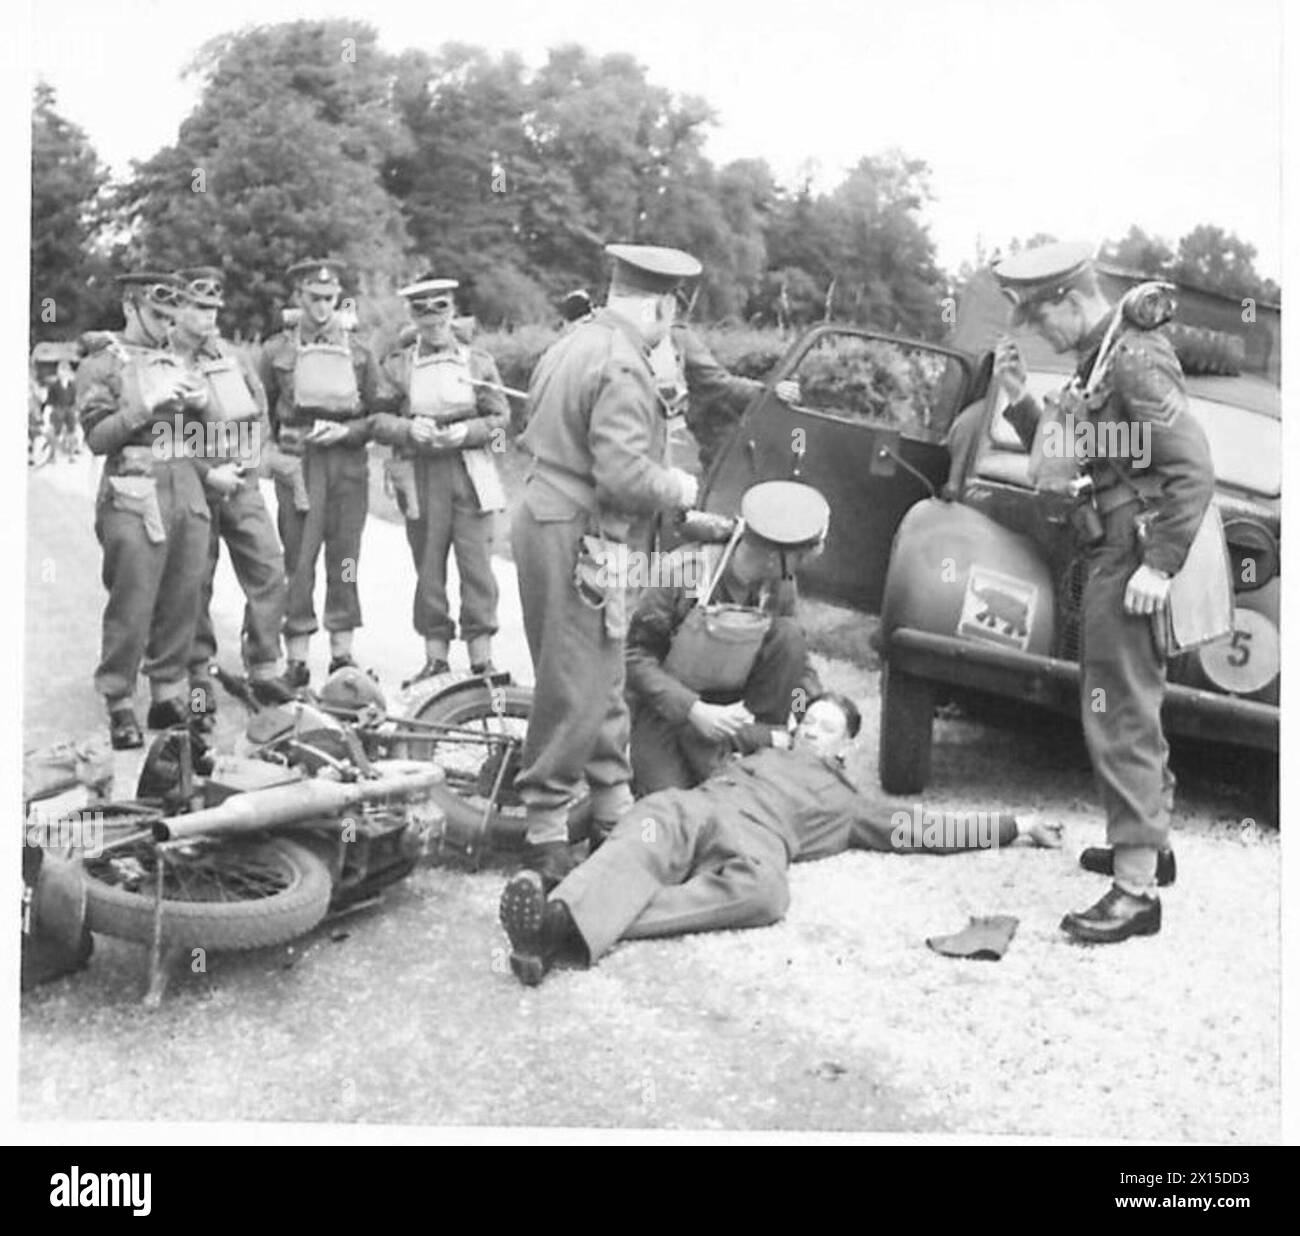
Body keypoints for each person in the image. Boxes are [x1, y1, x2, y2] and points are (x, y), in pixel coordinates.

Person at [498, 693, 1062, 986]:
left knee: (767, 895)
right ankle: (555, 928)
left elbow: (925, 829)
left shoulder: (848, 803)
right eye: (807, 720)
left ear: (845, 748)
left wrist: (1017, 825)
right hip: (698, 806)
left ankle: (567, 925)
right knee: (645, 830)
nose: (810, 729)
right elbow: (687, 721)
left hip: (760, 841)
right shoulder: (759, 748)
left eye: (826, 728)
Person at [992, 241, 1213, 943]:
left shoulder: (1135, 358)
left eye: (1040, 316)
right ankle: (1150, 845)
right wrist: (1020, 402)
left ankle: (1136, 891)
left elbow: (1192, 466)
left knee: (1120, 714)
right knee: (1127, 703)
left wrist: (1162, 564)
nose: (1041, 331)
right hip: (1113, 548)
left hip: (1133, 553)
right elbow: (1078, 453)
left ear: (1069, 298)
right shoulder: (1104, 357)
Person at [512, 243, 703, 888]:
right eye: (671, 315)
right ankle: (544, 829)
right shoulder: (624, 365)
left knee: (603, 665)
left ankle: (613, 803)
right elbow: (623, 476)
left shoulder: (575, 341)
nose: (670, 330)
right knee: (574, 677)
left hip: (558, 516)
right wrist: (676, 487)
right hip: (581, 529)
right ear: (660, 303)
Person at [75, 272, 213, 749]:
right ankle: (118, 699)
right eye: (157, 315)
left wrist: (203, 405)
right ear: (129, 307)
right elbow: (96, 439)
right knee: (133, 596)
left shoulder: (176, 359)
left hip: (184, 483)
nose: (165, 327)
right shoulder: (102, 363)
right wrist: (145, 404)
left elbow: (203, 436)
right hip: (132, 485)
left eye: (172, 319)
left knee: (183, 592)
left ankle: (167, 693)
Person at [625, 479, 828, 795]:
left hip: (738, 713)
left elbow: (797, 662)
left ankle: (761, 751)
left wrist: (815, 709)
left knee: (789, 637)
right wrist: (694, 710)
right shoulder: (684, 571)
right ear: (775, 557)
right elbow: (634, 657)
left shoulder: (780, 586)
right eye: (800, 558)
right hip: (670, 710)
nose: (800, 568)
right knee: (672, 801)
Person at [257, 259, 396, 688]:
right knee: (299, 558)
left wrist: (349, 431)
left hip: (348, 463)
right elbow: (262, 412)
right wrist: (271, 455)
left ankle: (342, 653)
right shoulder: (275, 351)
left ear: (338, 299)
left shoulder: (359, 351)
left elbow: (380, 412)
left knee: (346, 556)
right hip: (299, 462)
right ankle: (296, 655)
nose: (321, 308)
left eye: (329, 299)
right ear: (299, 297)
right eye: (313, 298)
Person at [371, 275, 510, 683]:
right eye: (421, 310)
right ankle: (435, 659)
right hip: (420, 471)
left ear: (452, 309)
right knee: (428, 568)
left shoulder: (479, 361)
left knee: (477, 566)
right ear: (412, 316)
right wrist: (405, 430)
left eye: (440, 308)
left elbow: (503, 423)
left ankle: (482, 661)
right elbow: (375, 419)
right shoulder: (396, 366)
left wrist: (470, 433)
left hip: (471, 471)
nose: (432, 319)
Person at [170, 267, 294, 718]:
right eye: (199, 308)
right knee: (194, 579)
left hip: (241, 483)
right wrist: (206, 474)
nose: (208, 317)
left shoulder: (233, 356)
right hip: (195, 485)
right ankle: (197, 668)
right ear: (178, 308)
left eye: (213, 309)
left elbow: (259, 411)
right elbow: (162, 435)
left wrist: (251, 457)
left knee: (269, 567)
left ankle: (263, 664)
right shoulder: (166, 361)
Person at [44, 360, 80, 458]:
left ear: (68, 372)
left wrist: (75, 410)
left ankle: (72, 454)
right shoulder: (54, 386)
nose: (62, 373)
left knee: (72, 429)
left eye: (65, 371)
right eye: (60, 371)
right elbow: (49, 401)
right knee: (56, 431)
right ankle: (52, 454)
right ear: (58, 372)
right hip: (57, 408)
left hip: (69, 409)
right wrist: (48, 412)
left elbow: (74, 401)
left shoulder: (72, 386)